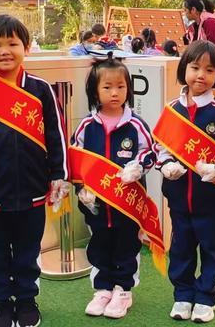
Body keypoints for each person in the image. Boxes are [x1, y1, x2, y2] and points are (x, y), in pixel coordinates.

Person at [0, 14, 69, 327]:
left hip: (32, 190)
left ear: (27, 48)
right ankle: (1, 302)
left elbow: (56, 135)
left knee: (28, 250)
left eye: (13, 43)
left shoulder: (40, 89)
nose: (5, 50)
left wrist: (59, 175)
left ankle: (27, 299)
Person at [152, 40, 215, 323]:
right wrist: (167, 163)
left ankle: (206, 295)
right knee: (180, 247)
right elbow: (160, 145)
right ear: (184, 69)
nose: (201, 75)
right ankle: (183, 293)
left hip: (211, 198)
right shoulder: (172, 109)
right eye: (195, 67)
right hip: (179, 198)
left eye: (209, 69)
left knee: (211, 248)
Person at [70, 53, 156, 319]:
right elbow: (75, 157)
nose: (115, 92)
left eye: (121, 86)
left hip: (127, 204)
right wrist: (81, 187)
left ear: (128, 88)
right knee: (99, 244)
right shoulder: (86, 125)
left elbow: (151, 152)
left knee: (126, 245)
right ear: (95, 91)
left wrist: (138, 166)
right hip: (95, 204)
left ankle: (123, 291)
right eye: (107, 87)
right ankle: (103, 289)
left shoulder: (135, 125)